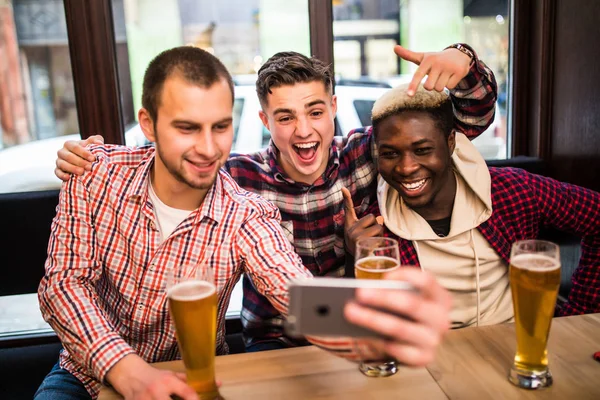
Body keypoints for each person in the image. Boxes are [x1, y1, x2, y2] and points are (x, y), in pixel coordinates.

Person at [36, 46, 452, 400]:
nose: (207, 148)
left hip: (198, 373)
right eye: (187, 128)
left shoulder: (246, 210)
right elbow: (62, 285)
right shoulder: (93, 173)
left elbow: (298, 294)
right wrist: (126, 369)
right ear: (148, 124)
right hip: (84, 374)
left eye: (220, 127)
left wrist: (377, 323)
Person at [343, 83, 600, 329]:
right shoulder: (375, 230)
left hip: (517, 344)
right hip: (433, 360)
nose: (406, 167)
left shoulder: (511, 191)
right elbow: (371, 329)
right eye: (390, 154)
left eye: (422, 150)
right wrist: (356, 259)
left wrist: (577, 315)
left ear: (451, 143)